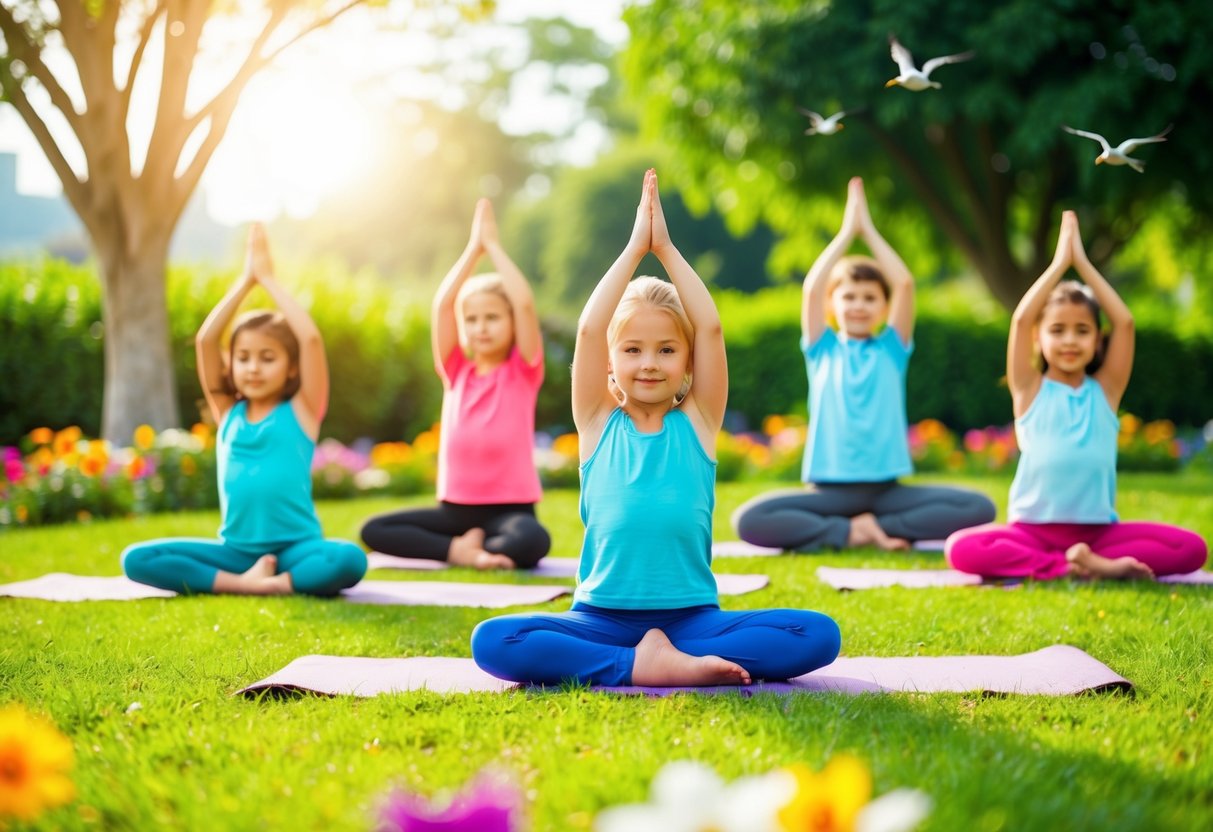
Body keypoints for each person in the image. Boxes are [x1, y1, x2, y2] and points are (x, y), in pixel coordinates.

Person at [470, 170, 841, 687]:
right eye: (632, 350)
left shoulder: (699, 421)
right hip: (600, 619)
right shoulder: (597, 422)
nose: (648, 363)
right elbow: (589, 328)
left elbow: (709, 326)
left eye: (667, 350)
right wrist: (632, 250)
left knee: (817, 634)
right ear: (609, 362)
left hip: (692, 620)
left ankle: (660, 660)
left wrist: (664, 248)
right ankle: (639, 666)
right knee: (494, 641)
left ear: (688, 362)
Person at [731, 177, 995, 552]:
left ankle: (879, 526)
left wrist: (866, 230)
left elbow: (903, 283)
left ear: (883, 308)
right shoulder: (821, 349)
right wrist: (844, 234)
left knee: (979, 507)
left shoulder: (892, 348)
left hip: (887, 493)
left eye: (869, 297)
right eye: (849, 295)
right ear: (832, 304)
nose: (858, 304)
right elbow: (812, 286)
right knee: (749, 520)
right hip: (829, 493)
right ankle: (847, 532)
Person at [946, 211, 1207, 580]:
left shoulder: (1106, 390)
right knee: (961, 548)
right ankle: (1077, 569)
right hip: (1031, 532)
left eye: (1082, 330)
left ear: (1097, 340)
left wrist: (1082, 263)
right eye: (1058, 330)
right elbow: (1021, 319)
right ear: (1040, 338)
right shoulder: (1028, 388)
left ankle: (1085, 563)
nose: (1070, 340)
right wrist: (1058, 264)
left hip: (1098, 534)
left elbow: (1125, 323)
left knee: (1191, 548)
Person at [122, 225, 367, 595]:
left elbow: (311, 339)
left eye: (267, 358)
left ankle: (271, 584)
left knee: (348, 559)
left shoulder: (302, 409)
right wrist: (244, 281)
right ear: (231, 364)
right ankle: (247, 584)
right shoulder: (228, 412)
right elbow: (206, 340)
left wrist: (268, 281)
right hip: (235, 553)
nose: (253, 367)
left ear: (292, 367)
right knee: (137, 559)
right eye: (243, 358)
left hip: (296, 551)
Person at [360, 199, 550, 570]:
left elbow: (525, 303)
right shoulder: (455, 371)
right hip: (453, 512)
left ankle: (477, 546)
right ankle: (462, 551)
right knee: (374, 529)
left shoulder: (523, 370)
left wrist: (492, 247)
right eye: (473, 319)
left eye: (492, 317)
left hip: (510, 511)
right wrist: (472, 250)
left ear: (512, 324)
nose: (481, 327)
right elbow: (443, 305)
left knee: (532, 540)